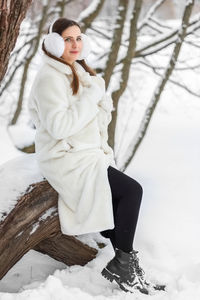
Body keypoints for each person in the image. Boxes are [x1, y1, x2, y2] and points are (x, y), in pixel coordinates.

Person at [28, 17, 164, 294]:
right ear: (54, 44)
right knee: (131, 191)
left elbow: (92, 124)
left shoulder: (79, 72)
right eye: (68, 39)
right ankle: (124, 265)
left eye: (78, 38)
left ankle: (127, 266)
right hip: (63, 157)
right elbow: (58, 127)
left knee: (118, 199)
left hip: (86, 154)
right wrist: (91, 99)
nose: (75, 44)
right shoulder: (49, 78)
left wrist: (101, 104)